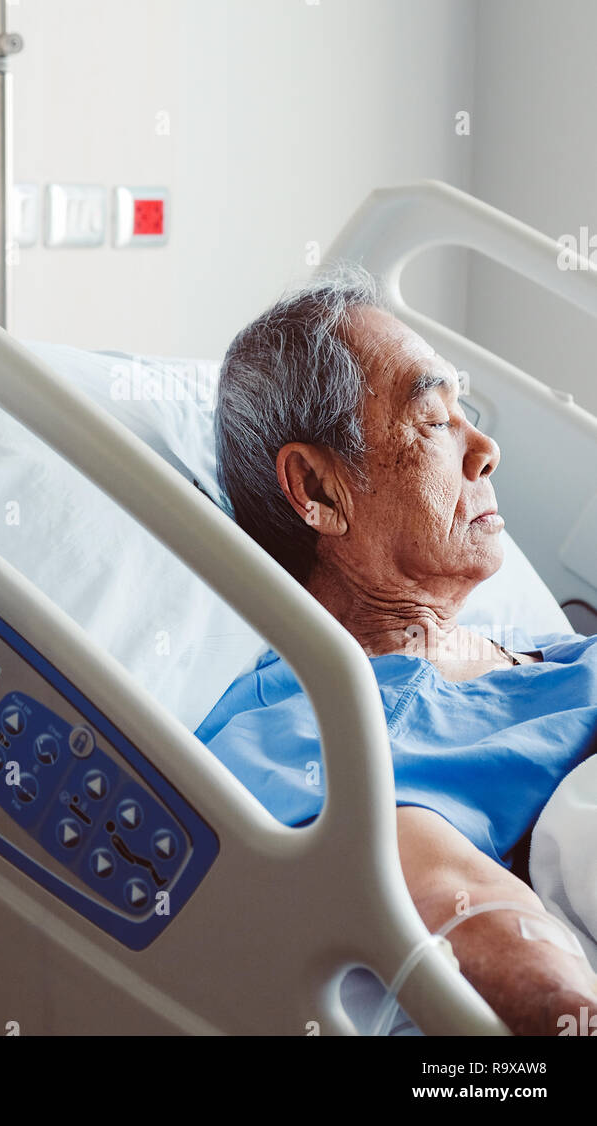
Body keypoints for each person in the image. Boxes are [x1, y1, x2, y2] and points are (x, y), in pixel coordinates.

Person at [204, 264, 597, 1036]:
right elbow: (540, 989)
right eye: (433, 418)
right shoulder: (325, 731)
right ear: (316, 488)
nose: (484, 450)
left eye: (467, 412)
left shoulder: (545, 657)